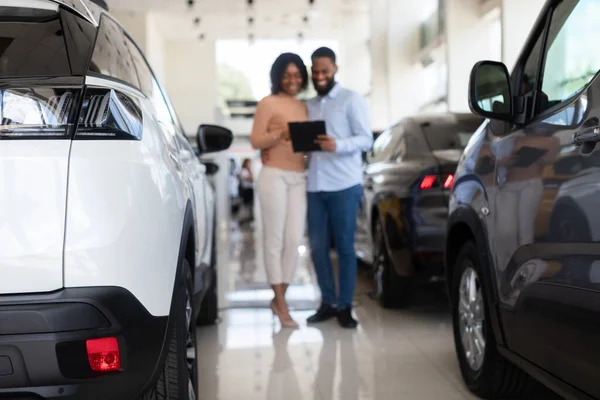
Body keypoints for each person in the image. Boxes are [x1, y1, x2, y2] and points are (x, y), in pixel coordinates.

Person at [262, 47, 373, 328]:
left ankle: (345, 305)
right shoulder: (308, 106)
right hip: (313, 185)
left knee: (345, 248)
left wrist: (339, 145)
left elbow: (366, 140)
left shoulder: (351, 99)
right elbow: (298, 141)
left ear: (335, 69)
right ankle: (328, 301)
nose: (320, 76)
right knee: (318, 247)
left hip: (345, 185)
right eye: (316, 72)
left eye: (325, 71)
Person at [250, 53, 310, 329]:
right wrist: (281, 134)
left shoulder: (303, 106)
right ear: (277, 76)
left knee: (293, 239)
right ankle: (281, 302)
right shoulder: (267, 103)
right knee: (274, 240)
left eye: (297, 75)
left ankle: (280, 297)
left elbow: (304, 144)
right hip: (274, 175)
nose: (292, 80)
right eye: (287, 75)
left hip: (299, 176)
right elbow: (256, 140)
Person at [238, 158, 254, 225]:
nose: (250, 165)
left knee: (250, 205)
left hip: (250, 190)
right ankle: (243, 219)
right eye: (248, 163)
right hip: (246, 191)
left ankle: (249, 219)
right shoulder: (243, 171)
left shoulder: (248, 171)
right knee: (245, 205)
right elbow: (250, 179)